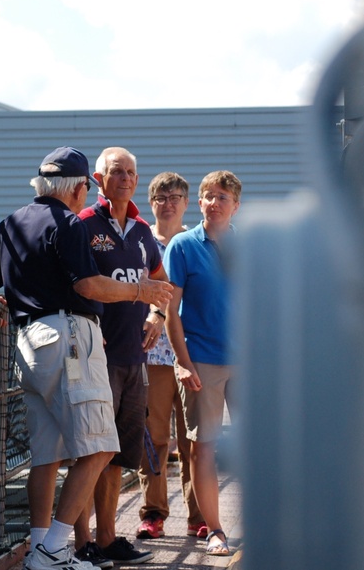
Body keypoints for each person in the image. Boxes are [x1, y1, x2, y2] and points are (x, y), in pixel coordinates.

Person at [0, 147, 173, 570]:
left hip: (28, 341)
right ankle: (55, 547)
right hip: (71, 338)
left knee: (48, 453)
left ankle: (41, 546)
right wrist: (142, 292)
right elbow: (89, 287)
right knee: (100, 447)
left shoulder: (10, 222)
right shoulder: (69, 223)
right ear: (81, 187)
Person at [71, 147, 168, 568]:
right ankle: (81, 543)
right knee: (90, 452)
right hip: (95, 359)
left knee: (118, 455)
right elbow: (77, 286)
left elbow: (160, 283)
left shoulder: (144, 231)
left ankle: (109, 540)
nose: (125, 178)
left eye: (131, 172)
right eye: (117, 172)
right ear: (98, 178)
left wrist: (158, 314)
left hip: (135, 360)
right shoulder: (83, 225)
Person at [163, 170, 242, 557]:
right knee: (203, 448)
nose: (214, 202)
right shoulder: (182, 245)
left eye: (223, 197)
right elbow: (170, 311)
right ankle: (215, 530)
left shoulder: (251, 247)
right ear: (200, 203)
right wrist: (182, 362)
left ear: (236, 206)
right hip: (202, 363)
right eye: (209, 196)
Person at [135, 172, 205, 541]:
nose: (169, 203)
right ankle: (154, 514)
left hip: (192, 353)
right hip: (151, 357)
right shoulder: (139, 241)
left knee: (195, 439)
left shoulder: (197, 242)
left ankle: (200, 517)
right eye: (161, 197)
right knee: (155, 438)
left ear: (187, 202)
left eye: (176, 196)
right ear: (152, 202)